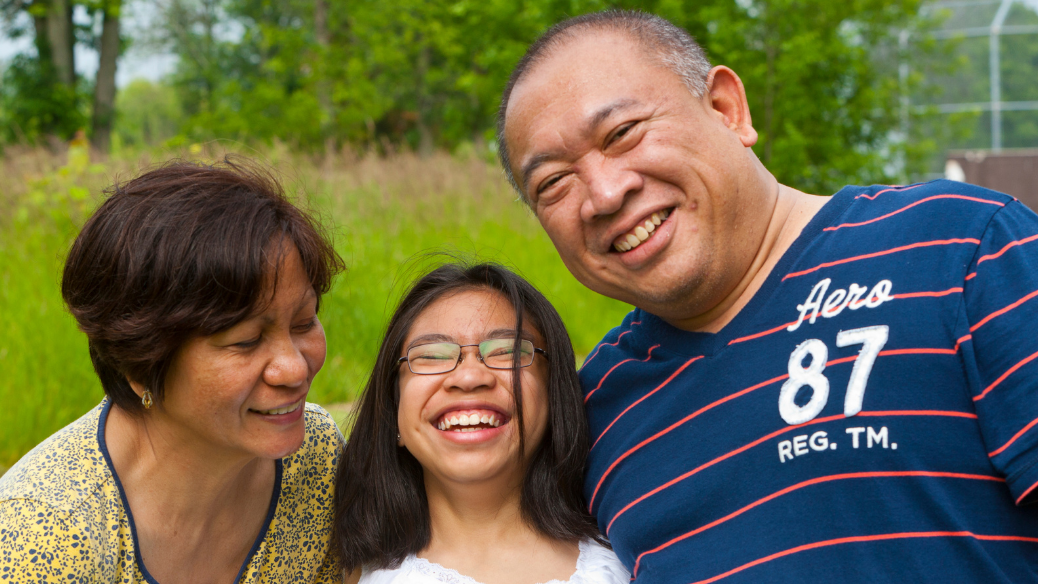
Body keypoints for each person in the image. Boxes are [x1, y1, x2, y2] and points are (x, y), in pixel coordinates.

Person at [496, 9, 1038, 583]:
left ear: (727, 110)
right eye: (553, 183)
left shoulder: (961, 250)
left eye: (624, 133)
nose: (604, 194)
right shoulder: (592, 415)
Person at [0, 159, 346, 582]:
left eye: (304, 322)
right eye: (246, 341)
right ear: (142, 359)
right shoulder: (45, 537)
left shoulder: (316, 459)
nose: (294, 368)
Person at [333, 262, 629, 583]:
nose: (470, 376)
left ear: (555, 395)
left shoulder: (630, 560)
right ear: (392, 412)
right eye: (432, 355)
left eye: (506, 351)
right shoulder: (350, 572)